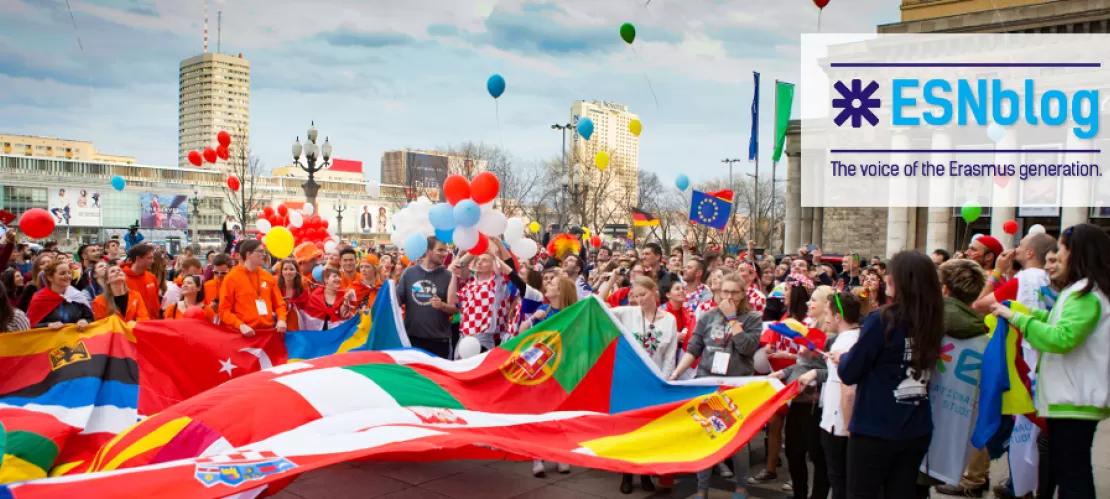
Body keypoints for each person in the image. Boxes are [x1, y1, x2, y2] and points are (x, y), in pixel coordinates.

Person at [989, 224, 1110, 499]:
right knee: (1068, 472)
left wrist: (1018, 318)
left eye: (1062, 249)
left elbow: (1061, 337)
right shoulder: (1081, 291)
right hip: (1071, 398)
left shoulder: (1085, 294)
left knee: (1073, 477)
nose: (1056, 256)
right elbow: (1054, 321)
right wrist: (1019, 311)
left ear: (1077, 252)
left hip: (1074, 400)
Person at [835, 250, 945, 498]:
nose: (886, 280)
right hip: (915, 427)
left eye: (889, 276)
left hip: (875, 428)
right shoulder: (933, 318)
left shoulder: (883, 319)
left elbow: (850, 372)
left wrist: (844, 356)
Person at [668, 273, 762, 499]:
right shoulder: (708, 316)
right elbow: (694, 348)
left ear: (742, 294)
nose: (728, 297)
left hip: (736, 385)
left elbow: (747, 348)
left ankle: (740, 486)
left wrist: (732, 319)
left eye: (734, 292)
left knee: (738, 439)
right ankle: (702, 489)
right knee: (706, 436)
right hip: (708, 381)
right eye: (724, 292)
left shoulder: (752, 319)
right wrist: (677, 373)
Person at [607, 275, 678, 495]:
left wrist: (663, 381)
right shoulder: (627, 313)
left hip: (654, 380)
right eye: (634, 296)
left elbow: (669, 354)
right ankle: (626, 473)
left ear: (654, 292)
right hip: (628, 380)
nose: (639, 300)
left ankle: (645, 472)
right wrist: (609, 281)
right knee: (627, 428)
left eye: (643, 295)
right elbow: (598, 307)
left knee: (649, 429)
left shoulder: (669, 320)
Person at [817, 291, 862, 499]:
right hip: (841, 423)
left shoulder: (843, 344)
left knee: (839, 481)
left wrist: (847, 426)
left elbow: (848, 389)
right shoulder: (856, 338)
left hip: (838, 425)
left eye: (827, 313)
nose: (825, 318)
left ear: (837, 317)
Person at [395, 237, 457, 359]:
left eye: (445, 250)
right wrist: (389, 287)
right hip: (412, 339)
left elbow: (454, 308)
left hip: (439, 341)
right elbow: (397, 301)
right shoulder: (409, 273)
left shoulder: (448, 276)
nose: (444, 254)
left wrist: (442, 306)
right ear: (428, 251)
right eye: (440, 250)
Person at [218, 239, 289, 337]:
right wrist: (240, 325)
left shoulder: (267, 276)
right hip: (244, 334)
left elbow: (279, 304)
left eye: (264, 252)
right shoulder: (231, 278)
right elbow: (224, 310)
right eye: (260, 251)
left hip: (267, 333)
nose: (264, 255)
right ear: (248, 254)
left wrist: (281, 319)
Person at [26, 260, 93, 330]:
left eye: (69, 272)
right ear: (50, 278)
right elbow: (30, 324)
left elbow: (89, 317)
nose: (68, 276)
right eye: (62, 273)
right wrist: (48, 325)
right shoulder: (40, 298)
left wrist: (84, 321)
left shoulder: (76, 296)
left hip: (75, 339)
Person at [121, 244, 161, 320]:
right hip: (133, 327)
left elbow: (156, 303)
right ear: (138, 259)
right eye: (149, 258)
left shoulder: (151, 277)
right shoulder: (123, 280)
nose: (152, 261)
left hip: (153, 324)